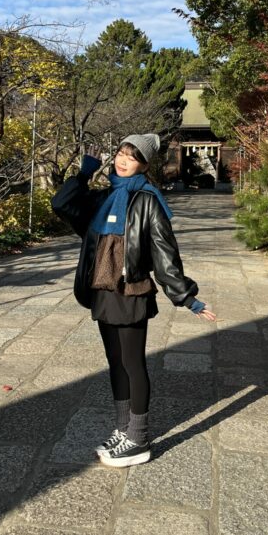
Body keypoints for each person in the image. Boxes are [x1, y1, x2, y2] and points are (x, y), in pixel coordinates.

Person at [52, 133, 216, 468]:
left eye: (133, 156)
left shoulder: (147, 201)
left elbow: (165, 255)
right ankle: (123, 429)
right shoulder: (102, 198)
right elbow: (62, 204)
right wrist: (83, 174)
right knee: (115, 363)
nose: (123, 160)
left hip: (131, 292)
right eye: (120, 153)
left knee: (132, 364)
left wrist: (187, 298)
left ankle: (138, 439)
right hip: (102, 291)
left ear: (144, 165)